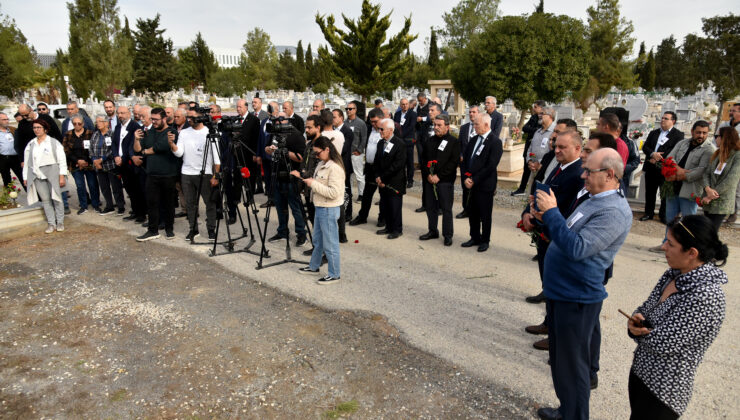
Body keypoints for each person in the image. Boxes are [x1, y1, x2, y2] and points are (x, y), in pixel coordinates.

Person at [533, 148, 632, 420]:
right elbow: (570, 231)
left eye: (589, 171)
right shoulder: (595, 198)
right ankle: (567, 410)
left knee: (573, 366)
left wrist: (552, 213)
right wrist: (546, 219)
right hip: (563, 292)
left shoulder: (613, 211)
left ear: (610, 175)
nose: (583, 175)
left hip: (576, 297)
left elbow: (578, 248)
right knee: (562, 363)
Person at [627, 215, 728, 419]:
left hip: (664, 391)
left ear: (692, 253)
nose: (664, 247)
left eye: (670, 243)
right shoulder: (673, 274)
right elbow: (645, 309)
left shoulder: (706, 295)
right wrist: (635, 322)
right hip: (641, 373)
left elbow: (666, 343)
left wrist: (638, 330)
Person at [648, 121, 715, 252]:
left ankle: (685, 247)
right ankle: (667, 244)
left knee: (688, 221)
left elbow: (701, 170)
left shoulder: (708, 149)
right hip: (673, 186)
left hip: (690, 190)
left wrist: (681, 174)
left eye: (704, 133)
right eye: (698, 132)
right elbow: (670, 158)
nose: (701, 135)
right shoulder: (683, 143)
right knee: (670, 218)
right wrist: (678, 170)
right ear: (692, 132)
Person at [293, 136, 345, 284]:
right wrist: (304, 178)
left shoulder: (335, 168)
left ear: (327, 149)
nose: (316, 156)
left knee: (330, 243)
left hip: (329, 208)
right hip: (320, 207)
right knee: (318, 241)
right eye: (315, 153)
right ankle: (314, 266)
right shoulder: (322, 163)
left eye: (318, 153)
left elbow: (334, 193)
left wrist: (313, 184)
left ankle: (334, 274)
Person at [172, 108, 221, 242]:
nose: (189, 119)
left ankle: (211, 229)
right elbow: (179, 153)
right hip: (187, 174)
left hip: (205, 174)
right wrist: (172, 144)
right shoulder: (184, 133)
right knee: (190, 204)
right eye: (188, 116)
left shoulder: (209, 132)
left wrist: (216, 175)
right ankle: (193, 229)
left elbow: (217, 157)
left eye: (192, 117)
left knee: (209, 203)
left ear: (200, 117)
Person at [134, 108, 181, 241]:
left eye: (156, 119)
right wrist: (136, 140)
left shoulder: (171, 132)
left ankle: (169, 228)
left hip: (168, 174)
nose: (153, 122)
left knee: (168, 203)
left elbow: (162, 147)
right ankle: (152, 230)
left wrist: (145, 152)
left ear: (164, 119)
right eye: (152, 119)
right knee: (152, 203)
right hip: (151, 174)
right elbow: (137, 149)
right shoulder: (149, 132)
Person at [460, 113, 503, 252]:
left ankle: (485, 240)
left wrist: (475, 179)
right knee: (472, 212)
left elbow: (491, 166)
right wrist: (466, 177)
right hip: (470, 183)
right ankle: (474, 237)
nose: (474, 126)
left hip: (484, 184)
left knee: (484, 214)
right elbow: (466, 160)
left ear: (486, 125)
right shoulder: (473, 140)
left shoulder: (495, 142)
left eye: (476, 124)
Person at [264, 112, 308, 246]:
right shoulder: (275, 133)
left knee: (295, 207)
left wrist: (286, 153)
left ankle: (302, 234)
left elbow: (301, 157)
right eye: (275, 120)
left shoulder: (296, 135)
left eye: (280, 120)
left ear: (287, 121)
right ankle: (282, 231)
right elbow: (266, 148)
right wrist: (271, 150)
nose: (277, 123)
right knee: (279, 206)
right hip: (277, 174)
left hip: (291, 176)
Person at [420, 114, 460, 246]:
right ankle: (432, 230)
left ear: (447, 127)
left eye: (439, 125)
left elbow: (453, 162)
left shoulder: (453, 142)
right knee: (431, 207)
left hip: (445, 181)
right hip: (429, 180)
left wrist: (439, 176)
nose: (436, 128)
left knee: (446, 208)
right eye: (434, 125)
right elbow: (423, 160)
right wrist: (428, 175)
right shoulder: (430, 141)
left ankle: (448, 234)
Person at [22, 119, 68, 233]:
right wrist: (25, 177)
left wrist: (62, 175)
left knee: (57, 199)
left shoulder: (53, 142)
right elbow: (27, 162)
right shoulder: (31, 144)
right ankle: (51, 223)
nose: (36, 130)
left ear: (45, 129)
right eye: (35, 128)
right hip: (37, 176)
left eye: (39, 127)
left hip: (52, 173)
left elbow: (62, 160)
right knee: (46, 200)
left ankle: (60, 221)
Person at [640, 112, 684, 222]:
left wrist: (659, 158)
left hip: (665, 169)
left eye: (666, 118)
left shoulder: (678, 135)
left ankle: (663, 215)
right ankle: (648, 213)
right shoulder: (653, 133)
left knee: (664, 193)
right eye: (662, 118)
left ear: (673, 121)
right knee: (650, 192)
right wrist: (652, 154)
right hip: (651, 167)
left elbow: (674, 150)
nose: (662, 120)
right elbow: (646, 146)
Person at [700, 126, 740, 231]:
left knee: (711, 232)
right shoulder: (717, 154)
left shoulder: (737, 156)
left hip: (721, 201)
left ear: (724, 138)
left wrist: (710, 196)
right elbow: (706, 173)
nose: (715, 139)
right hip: (708, 200)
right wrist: (707, 189)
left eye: (717, 136)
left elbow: (731, 179)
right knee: (706, 230)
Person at [350, 108, 385, 227]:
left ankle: (382, 218)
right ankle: (362, 216)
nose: (373, 124)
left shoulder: (387, 130)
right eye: (371, 121)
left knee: (383, 194)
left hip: (382, 168)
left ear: (382, 118)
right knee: (367, 194)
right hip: (370, 167)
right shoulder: (370, 129)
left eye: (375, 121)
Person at [374, 118, 406, 239]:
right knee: (385, 205)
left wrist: (383, 177)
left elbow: (398, 165)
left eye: (382, 129)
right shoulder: (380, 143)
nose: (380, 131)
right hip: (382, 180)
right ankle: (388, 226)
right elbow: (377, 161)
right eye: (379, 129)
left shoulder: (399, 144)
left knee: (395, 206)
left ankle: (397, 229)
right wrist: (377, 176)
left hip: (394, 181)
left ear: (391, 130)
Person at [62, 114, 101, 214]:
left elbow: (93, 149)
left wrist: (85, 161)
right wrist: (77, 161)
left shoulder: (90, 134)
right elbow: (66, 150)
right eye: (75, 123)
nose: (77, 125)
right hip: (75, 164)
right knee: (80, 186)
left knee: (93, 184)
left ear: (83, 123)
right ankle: (83, 206)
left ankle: (96, 204)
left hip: (89, 163)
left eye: (79, 123)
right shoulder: (68, 134)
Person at [89, 115, 124, 215]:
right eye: (97, 122)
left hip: (110, 165)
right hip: (98, 166)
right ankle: (109, 206)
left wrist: (102, 159)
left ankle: (120, 206)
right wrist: (95, 160)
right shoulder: (95, 134)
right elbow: (91, 148)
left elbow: (113, 149)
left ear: (106, 123)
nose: (98, 124)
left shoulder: (112, 134)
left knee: (116, 187)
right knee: (104, 187)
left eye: (100, 121)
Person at [512, 100, 547, 196]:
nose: (533, 109)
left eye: (535, 107)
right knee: (526, 168)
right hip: (529, 146)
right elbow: (525, 128)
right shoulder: (533, 117)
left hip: (539, 148)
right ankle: (522, 188)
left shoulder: (543, 118)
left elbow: (541, 130)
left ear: (541, 108)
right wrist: (535, 129)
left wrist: (534, 130)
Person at [456, 105, 480, 218]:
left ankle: (476, 211)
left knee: (476, 186)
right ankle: (465, 209)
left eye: (474, 112)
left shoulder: (480, 127)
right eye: (470, 112)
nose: (471, 114)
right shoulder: (464, 127)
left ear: (478, 113)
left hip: (477, 163)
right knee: (465, 186)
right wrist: (460, 154)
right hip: (465, 163)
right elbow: (459, 143)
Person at [393, 98, 417, 188]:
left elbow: (411, 127)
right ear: (400, 105)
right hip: (399, 141)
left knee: (409, 161)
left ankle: (410, 180)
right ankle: (401, 179)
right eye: (403, 104)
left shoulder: (413, 114)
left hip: (408, 141)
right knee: (400, 161)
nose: (405, 106)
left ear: (409, 105)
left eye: (406, 104)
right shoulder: (397, 114)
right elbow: (395, 125)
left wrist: (401, 135)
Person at [0, 112, 24, 188]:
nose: (7, 121)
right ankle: (9, 197)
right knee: (6, 179)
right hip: (3, 158)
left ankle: (31, 196)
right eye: (4, 119)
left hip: (15, 157)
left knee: (23, 177)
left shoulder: (13, 129)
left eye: (7, 119)